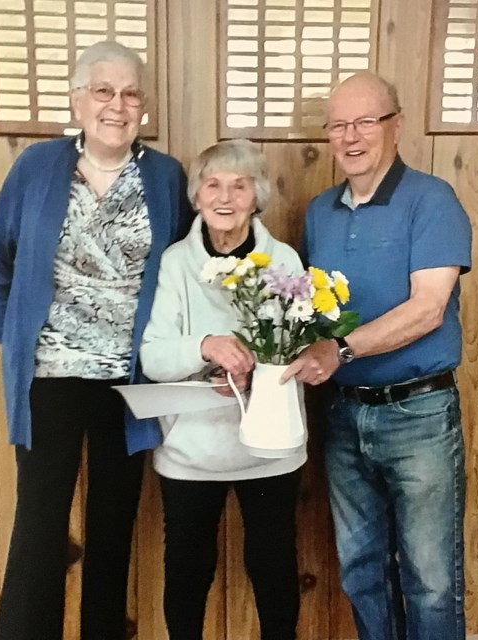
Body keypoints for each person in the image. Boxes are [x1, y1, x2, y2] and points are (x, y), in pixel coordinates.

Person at [0, 40, 194, 640]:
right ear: (78, 99)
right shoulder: (37, 168)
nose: (116, 106)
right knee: (40, 527)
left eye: (130, 93)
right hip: (48, 377)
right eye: (103, 91)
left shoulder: (166, 176)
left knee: (114, 525)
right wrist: (14, 335)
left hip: (129, 379)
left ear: (143, 106)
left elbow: (181, 271)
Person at [280, 72, 473, 640]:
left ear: (397, 125)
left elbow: (428, 308)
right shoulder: (319, 212)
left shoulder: (431, 199)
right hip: (342, 414)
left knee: (431, 577)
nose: (351, 136)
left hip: (420, 417)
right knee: (361, 570)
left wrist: (339, 349)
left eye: (366, 121)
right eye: (339, 125)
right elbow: (310, 309)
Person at [140, 139, 306, 640]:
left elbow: (298, 348)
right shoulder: (174, 263)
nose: (226, 196)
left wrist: (260, 369)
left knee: (273, 567)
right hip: (191, 451)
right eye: (213, 184)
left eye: (240, 184)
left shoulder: (284, 261)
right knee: (188, 572)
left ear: (258, 197)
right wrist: (206, 346)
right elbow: (153, 356)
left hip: (270, 449)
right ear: (196, 197)